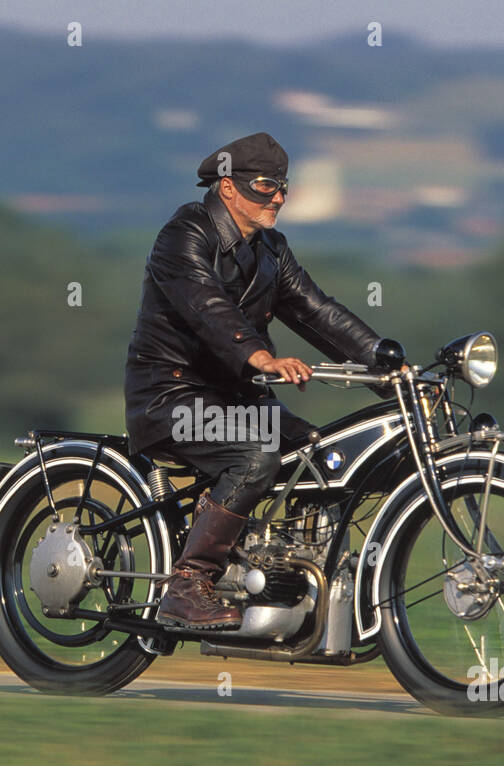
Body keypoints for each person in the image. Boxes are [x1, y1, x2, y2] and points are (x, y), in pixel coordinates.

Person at [124, 132, 386, 630]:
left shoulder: (271, 250)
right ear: (228, 187)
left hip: (237, 401)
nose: (280, 198)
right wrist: (260, 356)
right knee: (255, 455)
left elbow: (317, 312)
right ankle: (187, 585)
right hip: (170, 397)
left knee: (320, 454)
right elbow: (206, 306)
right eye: (267, 186)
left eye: (283, 187)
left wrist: (388, 365)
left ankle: (286, 580)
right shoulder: (185, 234)